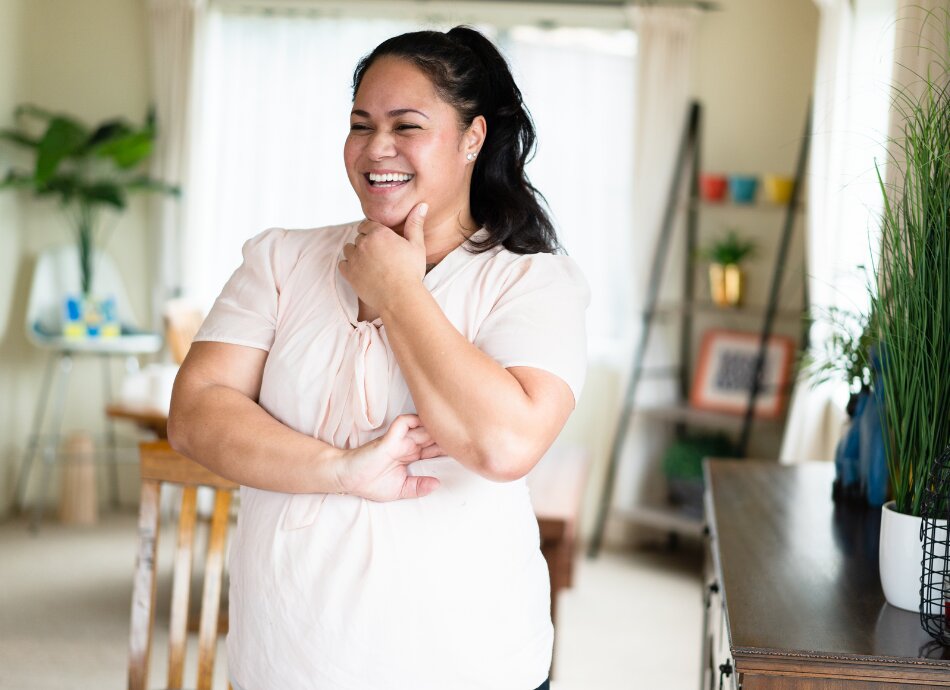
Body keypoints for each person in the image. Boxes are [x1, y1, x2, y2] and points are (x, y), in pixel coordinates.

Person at [168, 25, 588, 690]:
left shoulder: (534, 281)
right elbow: (194, 415)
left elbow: (504, 444)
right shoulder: (280, 258)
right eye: (361, 124)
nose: (376, 148)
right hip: (284, 662)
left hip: (466, 665)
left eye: (406, 125)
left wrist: (398, 291)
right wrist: (344, 468)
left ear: (473, 138)